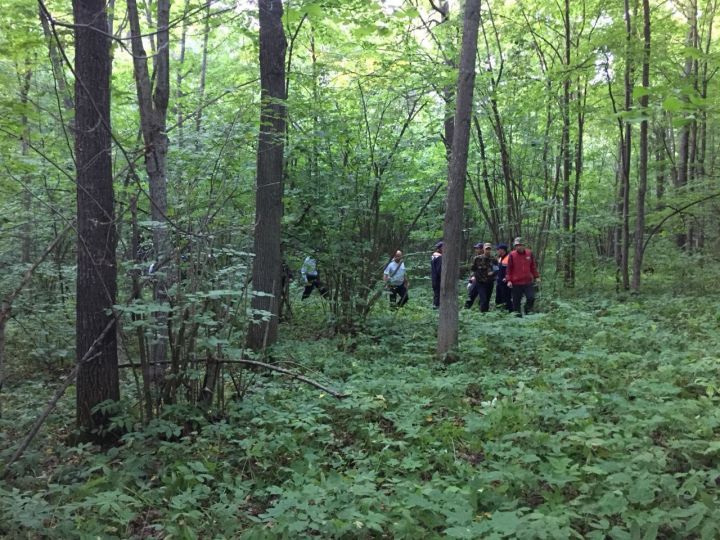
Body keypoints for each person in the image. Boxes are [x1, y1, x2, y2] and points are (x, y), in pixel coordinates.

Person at [506, 237, 540, 316]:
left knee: (531, 298)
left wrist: (536, 276)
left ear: (524, 245)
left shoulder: (529, 253)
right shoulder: (512, 254)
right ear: (515, 246)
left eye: (521, 245)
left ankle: (527, 311)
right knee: (516, 302)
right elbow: (509, 269)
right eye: (517, 245)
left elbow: (533, 266)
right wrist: (509, 280)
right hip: (516, 283)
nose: (519, 247)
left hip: (528, 282)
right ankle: (518, 319)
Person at [465, 242, 496, 312]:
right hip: (480, 282)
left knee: (486, 300)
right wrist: (471, 279)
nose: (488, 250)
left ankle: (484, 315)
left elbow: (496, 270)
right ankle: (465, 311)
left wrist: (493, 273)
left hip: (489, 283)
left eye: (489, 249)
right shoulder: (477, 258)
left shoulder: (493, 259)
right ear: (483, 249)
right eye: (486, 249)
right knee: (478, 298)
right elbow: (473, 269)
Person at [494, 243, 513, 312]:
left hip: (506, 283)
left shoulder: (509, 258)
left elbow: (512, 270)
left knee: (506, 299)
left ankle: (509, 313)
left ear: (502, 250)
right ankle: (499, 313)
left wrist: (507, 278)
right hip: (499, 282)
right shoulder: (500, 258)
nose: (497, 251)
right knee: (498, 299)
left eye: (498, 250)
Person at [430, 241, 443, 308]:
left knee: (436, 294)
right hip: (438, 279)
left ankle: (435, 306)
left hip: (434, 278)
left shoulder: (433, 256)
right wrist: (442, 278)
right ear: (440, 248)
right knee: (438, 294)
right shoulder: (439, 257)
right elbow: (439, 270)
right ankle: (436, 308)